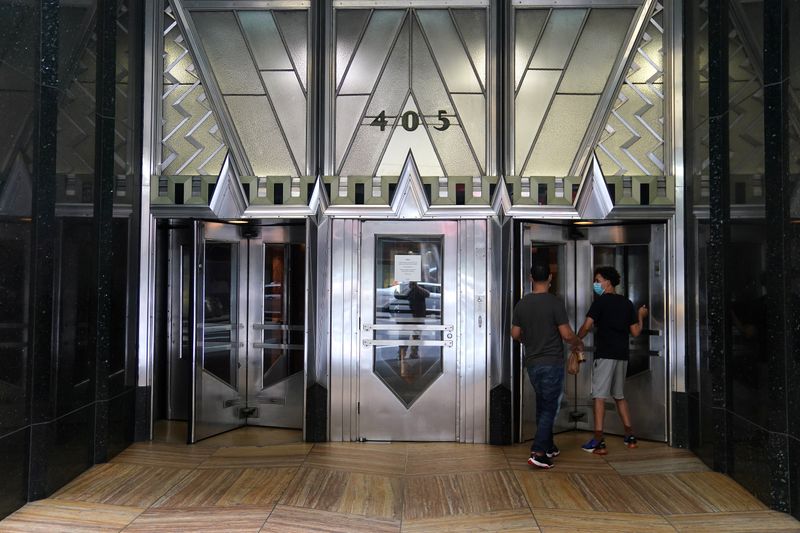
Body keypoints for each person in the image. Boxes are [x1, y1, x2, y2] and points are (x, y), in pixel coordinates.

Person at [511, 261, 583, 469]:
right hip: (552, 362)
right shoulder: (554, 303)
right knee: (550, 406)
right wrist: (578, 342)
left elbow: (515, 334)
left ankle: (549, 445)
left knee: (544, 403)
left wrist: (530, 339)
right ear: (550, 278)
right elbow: (566, 334)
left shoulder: (522, 303)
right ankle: (539, 452)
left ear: (531, 278)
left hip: (532, 363)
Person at [577, 266, 648, 454]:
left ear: (608, 282)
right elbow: (635, 331)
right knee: (619, 395)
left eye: (598, 280)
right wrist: (641, 317)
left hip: (606, 355)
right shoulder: (627, 303)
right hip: (622, 356)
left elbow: (586, 325)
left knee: (599, 396)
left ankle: (599, 441)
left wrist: (577, 340)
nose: (596, 284)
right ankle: (630, 436)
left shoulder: (600, 303)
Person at [394, 280, 430, 359]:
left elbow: (427, 294)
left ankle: (414, 353)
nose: (412, 284)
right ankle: (402, 353)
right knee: (404, 336)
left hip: (417, 317)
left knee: (416, 336)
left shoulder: (420, 289)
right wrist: (407, 288)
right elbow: (396, 295)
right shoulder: (404, 288)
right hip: (406, 317)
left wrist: (416, 287)